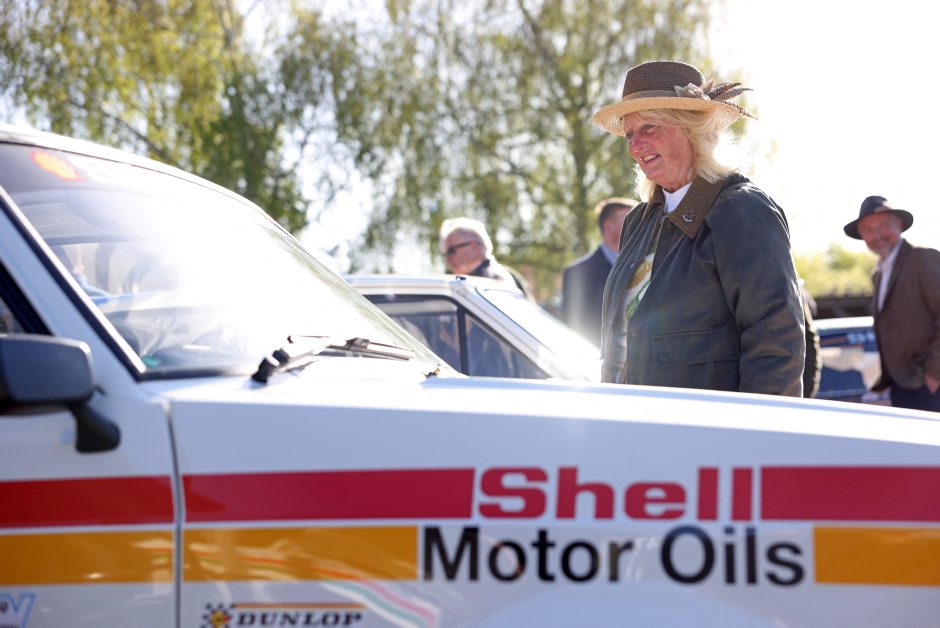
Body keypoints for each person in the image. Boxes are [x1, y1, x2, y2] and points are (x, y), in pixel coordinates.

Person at [592, 60, 805, 396]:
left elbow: (777, 350)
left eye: (648, 127)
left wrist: (756, 429)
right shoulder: (638, 221)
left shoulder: (742, 212)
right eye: (630, 134)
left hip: (706, 428)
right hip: (631, 423)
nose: (634, 146)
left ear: (692, 128)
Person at [843, 196, 940, 411]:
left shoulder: (922, 259)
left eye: (884, 225)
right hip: (901, 386)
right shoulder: (878, 274)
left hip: (930, 387)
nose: (877, 234)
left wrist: (934, 375)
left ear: (900, 225)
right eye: (868, 229)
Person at [561, 197, 638, 346]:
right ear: (609, 227)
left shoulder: (645, 266)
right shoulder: (577, 274)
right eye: (630, 221)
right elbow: (574, 328)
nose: (638, 227)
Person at [439, 217, 535, 299]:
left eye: (451, 251)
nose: (447, 258)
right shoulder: (487, 276)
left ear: (474, 247)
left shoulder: (491, 280)